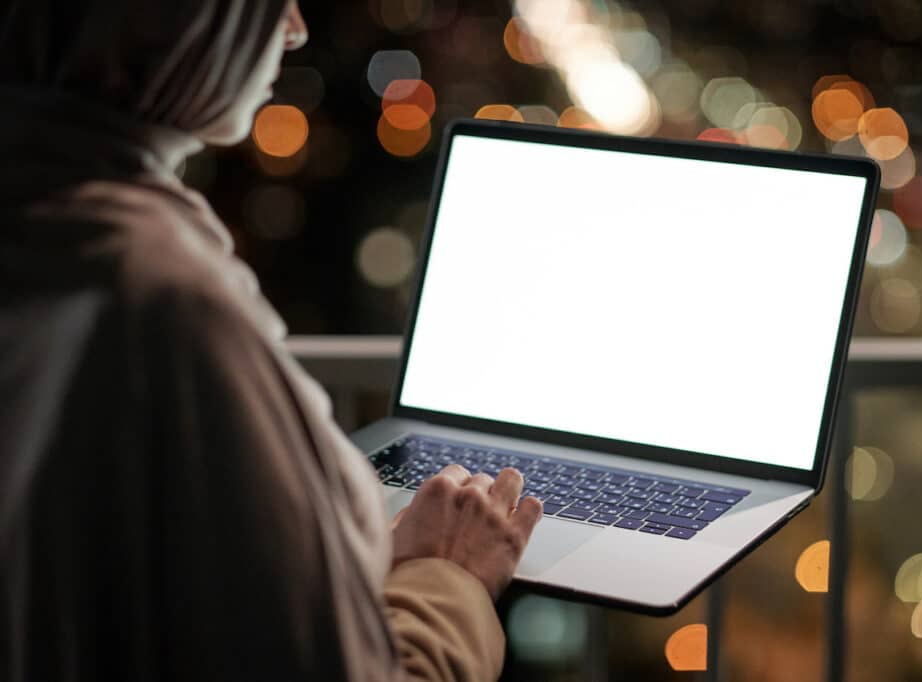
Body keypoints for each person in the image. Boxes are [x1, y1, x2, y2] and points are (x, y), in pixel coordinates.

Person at [0, 1, 543, 680]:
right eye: (266, 5)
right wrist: (451, 578)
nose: (295, 28)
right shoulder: (160, 299)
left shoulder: (43, 209)